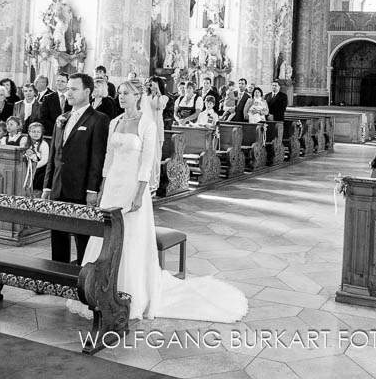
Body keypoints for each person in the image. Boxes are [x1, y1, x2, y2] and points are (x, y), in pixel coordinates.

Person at [68, 78, 247, 322]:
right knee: (105, 235)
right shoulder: (114, 122)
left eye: (127, 94)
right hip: (112, 187)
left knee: (130, 237)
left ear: (138, 96)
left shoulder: (147, 124)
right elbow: (109, 158)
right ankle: (98, 289)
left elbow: (147, 161)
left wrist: (141, 192)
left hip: (133, 186)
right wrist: (101, 186)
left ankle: (130, 291)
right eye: (119, 93)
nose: (122, 98)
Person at [42, 73, 110, 264]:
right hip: (58, 185)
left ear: (87, 91)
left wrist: (92, 190)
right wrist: (47, 186)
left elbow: (97, 158)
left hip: (80, 188)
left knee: (83, 238)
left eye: (74, 89)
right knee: (58, 236)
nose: (68, 92)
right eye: (68, 88)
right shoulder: (61, 118)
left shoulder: (98, 119)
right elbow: (54, 156)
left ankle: (81, 276)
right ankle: (58, 274)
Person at [22, 122, 49, 198]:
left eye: (38, 132)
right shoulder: (25, 143)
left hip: (39, 169)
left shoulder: (44, 144)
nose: (36, 134)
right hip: (26, 169)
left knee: (40, 179)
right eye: (33, 132)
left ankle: (36, 195)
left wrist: (33, 167)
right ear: (29, 132)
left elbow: (44, 160)